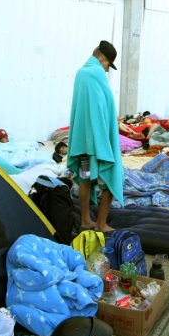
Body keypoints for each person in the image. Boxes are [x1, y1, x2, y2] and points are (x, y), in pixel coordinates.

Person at [67, 40, 124, 232]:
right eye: (108, 64)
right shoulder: (97, 73)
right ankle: (101, 224)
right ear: (102, 59)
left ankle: (85, 220)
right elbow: (104, 108)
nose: (108, 70)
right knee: (111, 178)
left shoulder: (81, 73)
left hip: (82, 143)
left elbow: (84, 109)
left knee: (85, 178)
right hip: (98, 144)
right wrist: (105, 140)